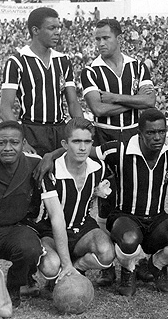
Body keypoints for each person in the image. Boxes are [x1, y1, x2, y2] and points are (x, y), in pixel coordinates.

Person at [0, 121, 77, 310]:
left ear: (23, 143)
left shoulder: (35, 164)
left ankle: (14, 286)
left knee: (31, 248)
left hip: (14, 230)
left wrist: (50, 156)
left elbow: (69, 150)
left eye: (14, 142)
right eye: (1, 143)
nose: (8, 148)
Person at [80, 18, 155, 285]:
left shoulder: (137, 65)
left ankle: (138, 260)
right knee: (106, 198)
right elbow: (98, 110)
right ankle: (108, 265)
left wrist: (113, 97)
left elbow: (151, 101)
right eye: (97, 39)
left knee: (139, 198)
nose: (100, 43)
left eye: (105, 38)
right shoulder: (90, 70)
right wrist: (134, 101)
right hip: (106, 135)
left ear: (118, 38)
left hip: (136, 135)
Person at [99, 109, 168, 295]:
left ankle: (157, 264)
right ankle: (128, 271)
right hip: (125, 216)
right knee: (129, 240)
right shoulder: (119, 150)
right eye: (151, 132)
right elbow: (84, 151)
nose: (157, 137)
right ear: (140, 133)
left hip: (157, 218)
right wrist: (51, 156)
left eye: (161, 131)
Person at [28, 118, 115, 286]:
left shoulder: (99, 168)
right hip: (51, 231)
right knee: (51, 266)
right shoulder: (51, 170)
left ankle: (78, 266)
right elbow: (56, 218)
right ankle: (61, 269)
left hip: (83, 228)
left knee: (107, 253)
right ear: (65, 144)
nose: (82, 148)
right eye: (76, 141)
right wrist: (64, 263)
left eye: (87, 142)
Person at [0, 7, 83, 156]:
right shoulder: (17, 62)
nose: (57, 32)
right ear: (35, 30)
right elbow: (5, 108)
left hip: (60, 131)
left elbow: (73, 103)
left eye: (59, 28)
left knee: (62, 178)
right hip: (31, 131)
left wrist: (82, 134)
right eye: (52, 28)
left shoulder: (63, 60)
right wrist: (21, 140)